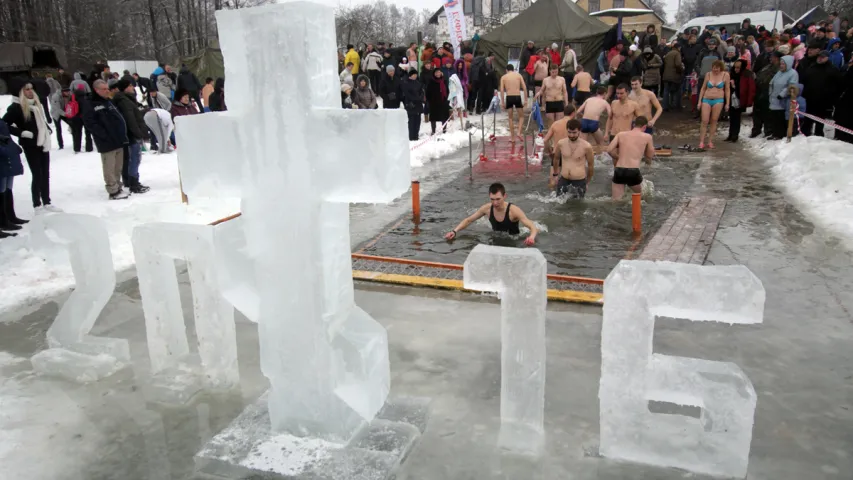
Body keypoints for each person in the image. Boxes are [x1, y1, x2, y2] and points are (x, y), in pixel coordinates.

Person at [2, 81, 54, 209]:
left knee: (45, 173)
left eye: (31, 89)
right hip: (30, 145)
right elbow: (3, 124)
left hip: (43, 142)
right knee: (37, 174)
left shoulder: (36, 104)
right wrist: (22, 133)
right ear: (21, 92)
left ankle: (47, 201)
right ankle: (37, 204)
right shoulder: (16, 107)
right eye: (26, 89)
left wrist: (47, 129)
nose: (30, 91)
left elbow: (40, 121)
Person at [444, 183, 538, 246]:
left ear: (504, 196)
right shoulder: (487, 209)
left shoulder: (514, 210)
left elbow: (532, 226)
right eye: (492, 199)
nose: (495, 203)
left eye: (498, 199)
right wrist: (454, 231)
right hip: (496, 237)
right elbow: (469, 220)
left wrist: (531, 237)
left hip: (513, 240)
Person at [82, 79, 129, 200]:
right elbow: (90, 123)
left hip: (118, 138)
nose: (107, 91)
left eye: (108, 88)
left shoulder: (108, 101)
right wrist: (103, 135)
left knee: (118, 166)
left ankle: (118, 185)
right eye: (104, 89)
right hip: (106, 141)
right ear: (96, 90)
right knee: (109, 166)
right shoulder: (90, 103)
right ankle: (112, 190)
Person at [113, 79, 150, 193]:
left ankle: (130, 181)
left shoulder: (127, 99)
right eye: (129, 86)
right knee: (135, 159)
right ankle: (134, 183)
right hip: (132, 135)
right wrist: (139, 133)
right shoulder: (124, 101)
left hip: (130, 134)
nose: (132, 88)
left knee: (132, 159)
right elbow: (131, 120)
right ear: (124, 88)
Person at [607, 115, 654, 200]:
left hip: (619, 170)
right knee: (644, 196)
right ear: (644, 127)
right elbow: (650, 155)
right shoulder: (647, 136)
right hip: (633, 171)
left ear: (633, 125)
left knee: (616, 201)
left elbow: (609, 149)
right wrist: (648, 162)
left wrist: (617, 157)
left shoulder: (620, 134)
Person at [800, 50, 840, 136]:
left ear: (827, 58)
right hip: (810, 98)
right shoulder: (812, 67)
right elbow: (804, 80)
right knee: (808, 117)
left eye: (822, 57)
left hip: (823, 100)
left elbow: (837, 85)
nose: (820, 58)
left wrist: (832, 98)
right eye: (819, 56)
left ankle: (819, 135)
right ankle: (805, 133)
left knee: (820, 119)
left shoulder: (832, 70)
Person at [554, 119, 594, 199]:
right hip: (563, 179)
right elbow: (556, 159)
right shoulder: (561, 143)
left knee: (577, 208)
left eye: (574, 133)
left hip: (579, 181)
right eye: (569, 132)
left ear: (579, 131)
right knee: (558, 206)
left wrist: (587, 182)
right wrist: (555, 175)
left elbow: (590, 166)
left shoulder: (587, 146)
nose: (571, 135)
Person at [0, 118, 26, 237]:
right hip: (3, 157)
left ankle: (9, 217)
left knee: (7, 189)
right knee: (2, 190)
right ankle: (3, 221)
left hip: (7, 156)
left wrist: (13, 147)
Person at [697, 60, 730, 148]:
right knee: (704, 120)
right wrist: (699, 101)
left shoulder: (725, 75)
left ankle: (710, 141)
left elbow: (727, 89)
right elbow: (703, 88)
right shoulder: (708, 74)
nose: (715, 70)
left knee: (714, 120)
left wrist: (727, 103)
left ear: (721, 68)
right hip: (706, 99)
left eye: (717, 68)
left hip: (718, 99)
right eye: (714, 68)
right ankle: (701, 141)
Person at [542, 104, 576, 184]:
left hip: (557, 153)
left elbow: (545, 140)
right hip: (570, 154)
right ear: (573, 113)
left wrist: (550, 152)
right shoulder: (575, 125)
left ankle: (552, 194)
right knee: (571, 183)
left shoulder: (555, 124)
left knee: (553, 181)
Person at [768, 55, 798, 140]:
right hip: (774, 98)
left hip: (782, 100)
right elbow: (772, 82)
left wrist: (782, 94)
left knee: (780, 118)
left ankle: (780, 134)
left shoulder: (793, 73)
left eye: (783, 64)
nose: (781, 66)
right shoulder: (779, 72)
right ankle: (775, 133)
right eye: (780, 64)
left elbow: (791, 85)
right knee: (774, 117)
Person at [725, 60, 755, 143]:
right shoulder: (732, 74)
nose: (736, 69)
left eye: (738, 68)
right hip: (731, 98)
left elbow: (750, 88)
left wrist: (749, 102)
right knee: (732, 117)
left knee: (737, 118)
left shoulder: (746, 75)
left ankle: (735, 135)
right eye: (735, 67)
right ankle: (731, 134)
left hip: (740, 99)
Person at [535, 64, 569, 130]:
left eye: (556, 72)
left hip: (559, 102)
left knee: (559, 124)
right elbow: (542, 90)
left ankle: (558, 139)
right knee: (551, 124)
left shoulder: (562, 79)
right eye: (553, 72)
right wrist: (538, 93)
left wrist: (566, 103)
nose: (554, 74)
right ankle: (551, 139)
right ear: (550, 71)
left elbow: (565, 92)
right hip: (549, 102)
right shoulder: (545, 80)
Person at [499, 64, 527, 140]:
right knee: (521, 117)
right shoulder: (518, 75)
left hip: (509, 97)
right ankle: (519, 132)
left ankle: (512, 138)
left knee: (510, 118)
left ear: (506, 70)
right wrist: (526, 100)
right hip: (517, 96)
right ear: (513, 69)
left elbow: (501, 90)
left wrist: (502, 102)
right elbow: (524, 88)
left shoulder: (504, 77)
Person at [401, 69, 424, 141]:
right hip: (411, 104)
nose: (415, 76)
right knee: (411, 121)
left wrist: (420, 97)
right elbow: (407, 94)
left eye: (416, 75)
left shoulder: (418, 83)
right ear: (410, 75)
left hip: (418, 104)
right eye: (413, 75)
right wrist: (414, 99)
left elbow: (421, 92)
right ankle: (411, 136)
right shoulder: (406, 83)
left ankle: (416, 135)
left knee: (418, 121)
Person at [426, 68, 450, 135]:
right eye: (436, 72)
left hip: (443, 101)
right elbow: (427, 92)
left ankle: (444, 129)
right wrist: (430, 100)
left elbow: (447, 90)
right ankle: (433, 131)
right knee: (433, 117)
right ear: (434, 73)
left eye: (439, 72)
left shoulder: (444, 81)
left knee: (444, 116)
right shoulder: (431, 81)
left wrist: (446, 98)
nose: (438, 74)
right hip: (434, 102)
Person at [662, 43, 683, 111]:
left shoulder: (668, 53)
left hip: (666, 75)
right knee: (677, 91)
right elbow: (678, 64)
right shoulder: (677, 53)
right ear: (678, 48)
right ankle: (676, 105)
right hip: (674, 75)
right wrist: (681, 70)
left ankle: (665, 106)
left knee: (666, 91)